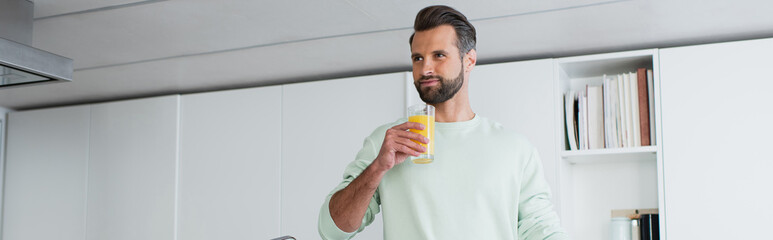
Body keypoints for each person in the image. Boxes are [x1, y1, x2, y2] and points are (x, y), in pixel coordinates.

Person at [318, 5, 569, 240]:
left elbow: (542, 230)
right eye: (417, 58)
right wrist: (377, 168)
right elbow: (332, 230)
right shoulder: (387, 142)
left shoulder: (516, 149)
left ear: (469, 60)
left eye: (438, 55)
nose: (425, 68)